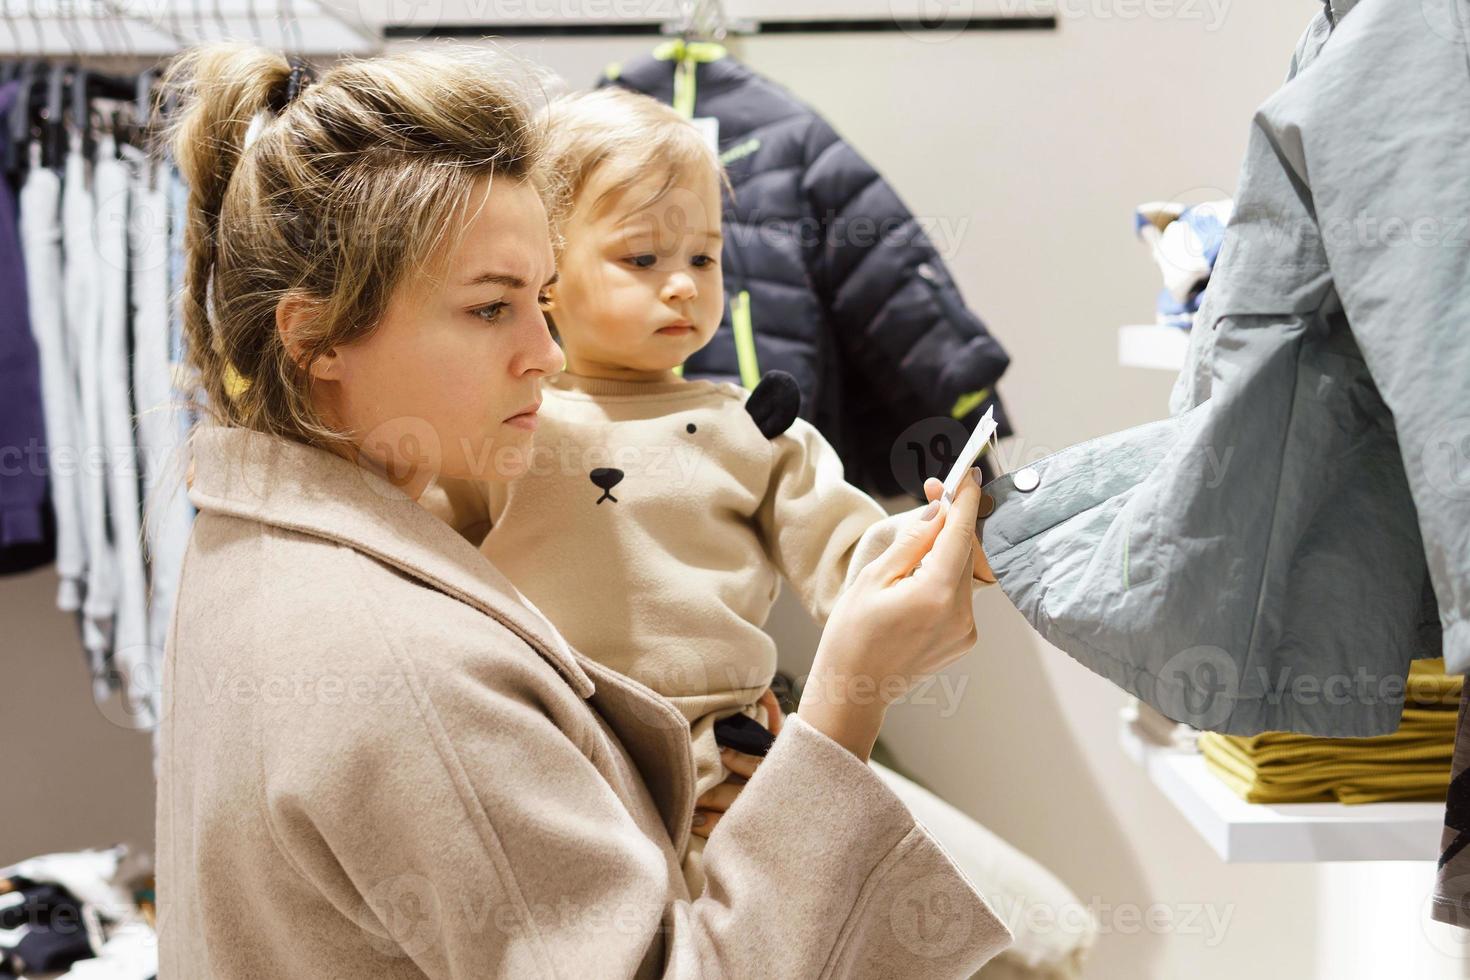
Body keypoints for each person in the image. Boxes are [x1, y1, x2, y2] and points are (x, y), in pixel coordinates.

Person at [155, 43, 1009, 977]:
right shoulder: (399, 668)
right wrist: (849, 696)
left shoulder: (259, 534)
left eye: (538, 298)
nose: (547, 354)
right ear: (316, 334)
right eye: (490, 309)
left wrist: (673, 778)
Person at [423, 86, 998, 896]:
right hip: (553, 745)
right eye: (643, 258)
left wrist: (945, 544)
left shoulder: (755, 431)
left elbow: (849, 551)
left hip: (724, 755)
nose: (687, 286)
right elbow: (424, 578)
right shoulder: (509, 428)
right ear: (543, 275)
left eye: (704, 256)